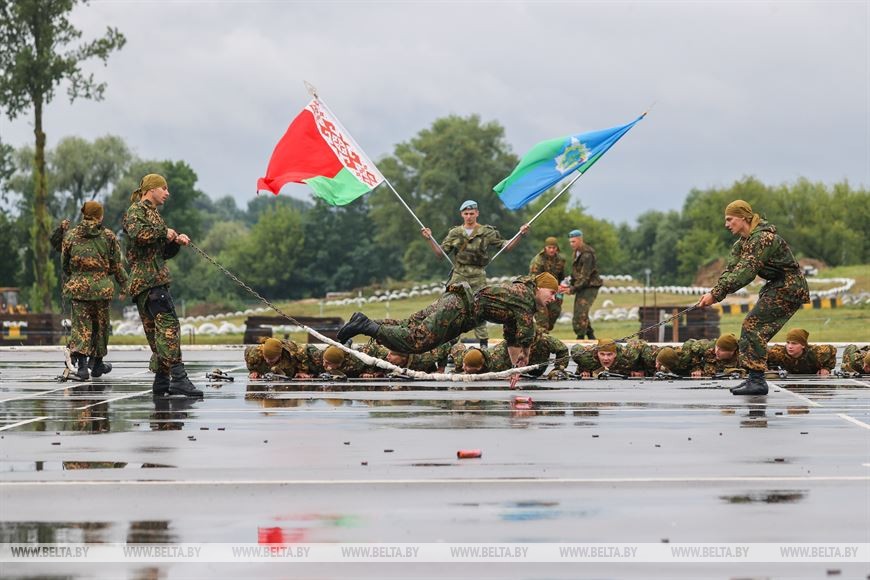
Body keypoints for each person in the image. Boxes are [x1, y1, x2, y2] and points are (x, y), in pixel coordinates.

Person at [337, 273, 559, 374]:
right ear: (539, 288)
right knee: (417, 342)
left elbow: (512, 336)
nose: (553, 298)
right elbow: (526, 333)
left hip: (456, 302)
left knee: (409, 326)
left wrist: (515, 370)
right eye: (551, 293)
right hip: (458, 309)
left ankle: (363, 323)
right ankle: (366, 326)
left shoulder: (519, 299)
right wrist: (525, 356)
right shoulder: (525, 296)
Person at [697, 200, 809, 395]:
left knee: (753, 326)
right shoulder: (742, 244)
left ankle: (757, 380)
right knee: (752, 327)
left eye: (730, 219)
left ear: (743, 217)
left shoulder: (762, 239)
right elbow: (731, 270)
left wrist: (716, 295)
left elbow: (745, 273)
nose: (726, 224)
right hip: (776, 286)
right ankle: (753, 378)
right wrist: (714, 292)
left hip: (789, 287)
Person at [123, 174, 202, 397]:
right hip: (148, 282)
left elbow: (161, 253)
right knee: (169, 328)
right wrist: (164, 232)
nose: (167, 193)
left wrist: (175, 242)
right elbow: (138, 234)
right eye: (163, 188)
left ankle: (161, 381)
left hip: (152, 281)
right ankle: (179, 378)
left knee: (158, 334)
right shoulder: (136, 211)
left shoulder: (154, 214)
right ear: (151, 190)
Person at [421, 199, 529, 348]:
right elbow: (440, 253)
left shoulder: (486, 232)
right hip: (459, 274)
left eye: (471, 213)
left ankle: (483, 345)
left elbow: (506, 246)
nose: (469, 216)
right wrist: (429, 239)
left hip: (478, 275)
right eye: (466, 213)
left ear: (477, 213)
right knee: (451, 308)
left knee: (480, 309)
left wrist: (520, 234)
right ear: (462, 215)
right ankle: (451, 346)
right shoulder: (455, 233)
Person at [61, 201, 128, 380]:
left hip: (79, 290)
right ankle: (97, 364)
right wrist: (124, 285)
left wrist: (78, 276)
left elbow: (65, 265)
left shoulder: (70, 236)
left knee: (81, 327)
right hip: (101, 290)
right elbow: (116, 265)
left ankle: (82, 368)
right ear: (99, 216)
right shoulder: (108, 236)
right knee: (101, 327)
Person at [560, 229, 602, 340]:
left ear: (580, 240)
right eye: (570, 242)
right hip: (582, 286)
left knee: (580, 313)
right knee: (581, 312)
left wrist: (572, 289)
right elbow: (576, 273)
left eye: (573, 241)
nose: (571, 244)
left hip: (590, 286)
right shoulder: (577, 252)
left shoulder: (587, 254)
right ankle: (591, 337)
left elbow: (585, 276)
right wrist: (568, 283)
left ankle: (580, 338)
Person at [489, 329, 569, 379]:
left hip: (537, 370)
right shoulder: (509, 344)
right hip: (512, 370)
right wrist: (505, 374)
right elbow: (494, 361)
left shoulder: (544, 340)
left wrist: (558, 368)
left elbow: (562, 350)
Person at [529, 236, 566, 331]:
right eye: (549, 247)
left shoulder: (560, 260)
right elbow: (534, 280)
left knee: (555, 312)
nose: (552, 250)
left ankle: (544, 333)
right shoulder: (538, 260)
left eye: (554, 248)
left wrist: (561, 287)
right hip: (539, 292)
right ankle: (541, 335)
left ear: (557, 248)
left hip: (554, 293)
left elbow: (561, 277)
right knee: (542, 320)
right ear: (545, 248)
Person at [572, 338, 656, 378]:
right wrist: (584, 371)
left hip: (635, 365)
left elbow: (641, 346)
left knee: (649, 358)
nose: (605, 358)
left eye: (609, 355)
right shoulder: (588, 356)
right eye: (602, 354)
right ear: (597, 353)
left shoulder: (628, 355)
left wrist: (644, 371)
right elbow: (575, 349)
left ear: (615, 354)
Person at [766, 328, 836, 376]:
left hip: (812, 383)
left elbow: (832, 350)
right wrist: (768, 369)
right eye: (788, 342)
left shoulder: (816, 352)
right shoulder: (778, 352)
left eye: (794, 343)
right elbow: (762, 356)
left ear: (803, 345)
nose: (790, 346)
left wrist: (826, 368)